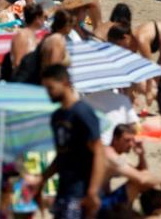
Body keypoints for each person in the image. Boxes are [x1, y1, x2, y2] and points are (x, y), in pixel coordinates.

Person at [40, 64, 105, 219]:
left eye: (50, 88)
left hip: (81, 193)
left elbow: (99, 152)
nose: (48, 93)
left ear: (65, 83)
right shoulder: (56, 117)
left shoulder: (82, 112)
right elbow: (62, 155)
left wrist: (92, 191)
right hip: (64, 190)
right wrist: (42, 178)